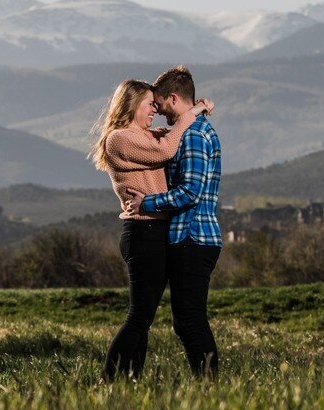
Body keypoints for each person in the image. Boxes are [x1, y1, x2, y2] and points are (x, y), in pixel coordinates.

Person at [91, 77, 212, 380]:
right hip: (142, 233)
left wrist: (192, 112)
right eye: (149, 104)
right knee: (139, 317)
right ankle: (110, 378)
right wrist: (192, 113)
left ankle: (131, 378)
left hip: (154, 233)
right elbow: (167, 149)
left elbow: (166, 136)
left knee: (143, 318)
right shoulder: (119, 138)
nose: (155, 111)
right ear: (131, 105)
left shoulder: (143, 135)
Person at [122, 65, 224, 377]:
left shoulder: (192, 136)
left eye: (161, 103)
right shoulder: (197, 129)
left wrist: (146, 201)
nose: (158, 109)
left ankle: (210, 384)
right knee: (187, 320)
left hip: (192, 237)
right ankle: (207, 383)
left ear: (174, 98)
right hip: (197, 236)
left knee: (190, 320)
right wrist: (197, 108)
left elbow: (190, 192)